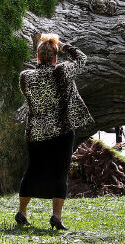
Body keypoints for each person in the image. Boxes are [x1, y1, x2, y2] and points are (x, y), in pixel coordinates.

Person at [16, 34, 93, 230]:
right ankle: (56, 217)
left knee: (32, 171)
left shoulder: (25, 76)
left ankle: (22, 212)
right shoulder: (62, 72)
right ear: (55, 58)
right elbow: (82, 59)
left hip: (35, 132)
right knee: (60, 172)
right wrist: (65, 46)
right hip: (61, 131)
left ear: (37, 57)